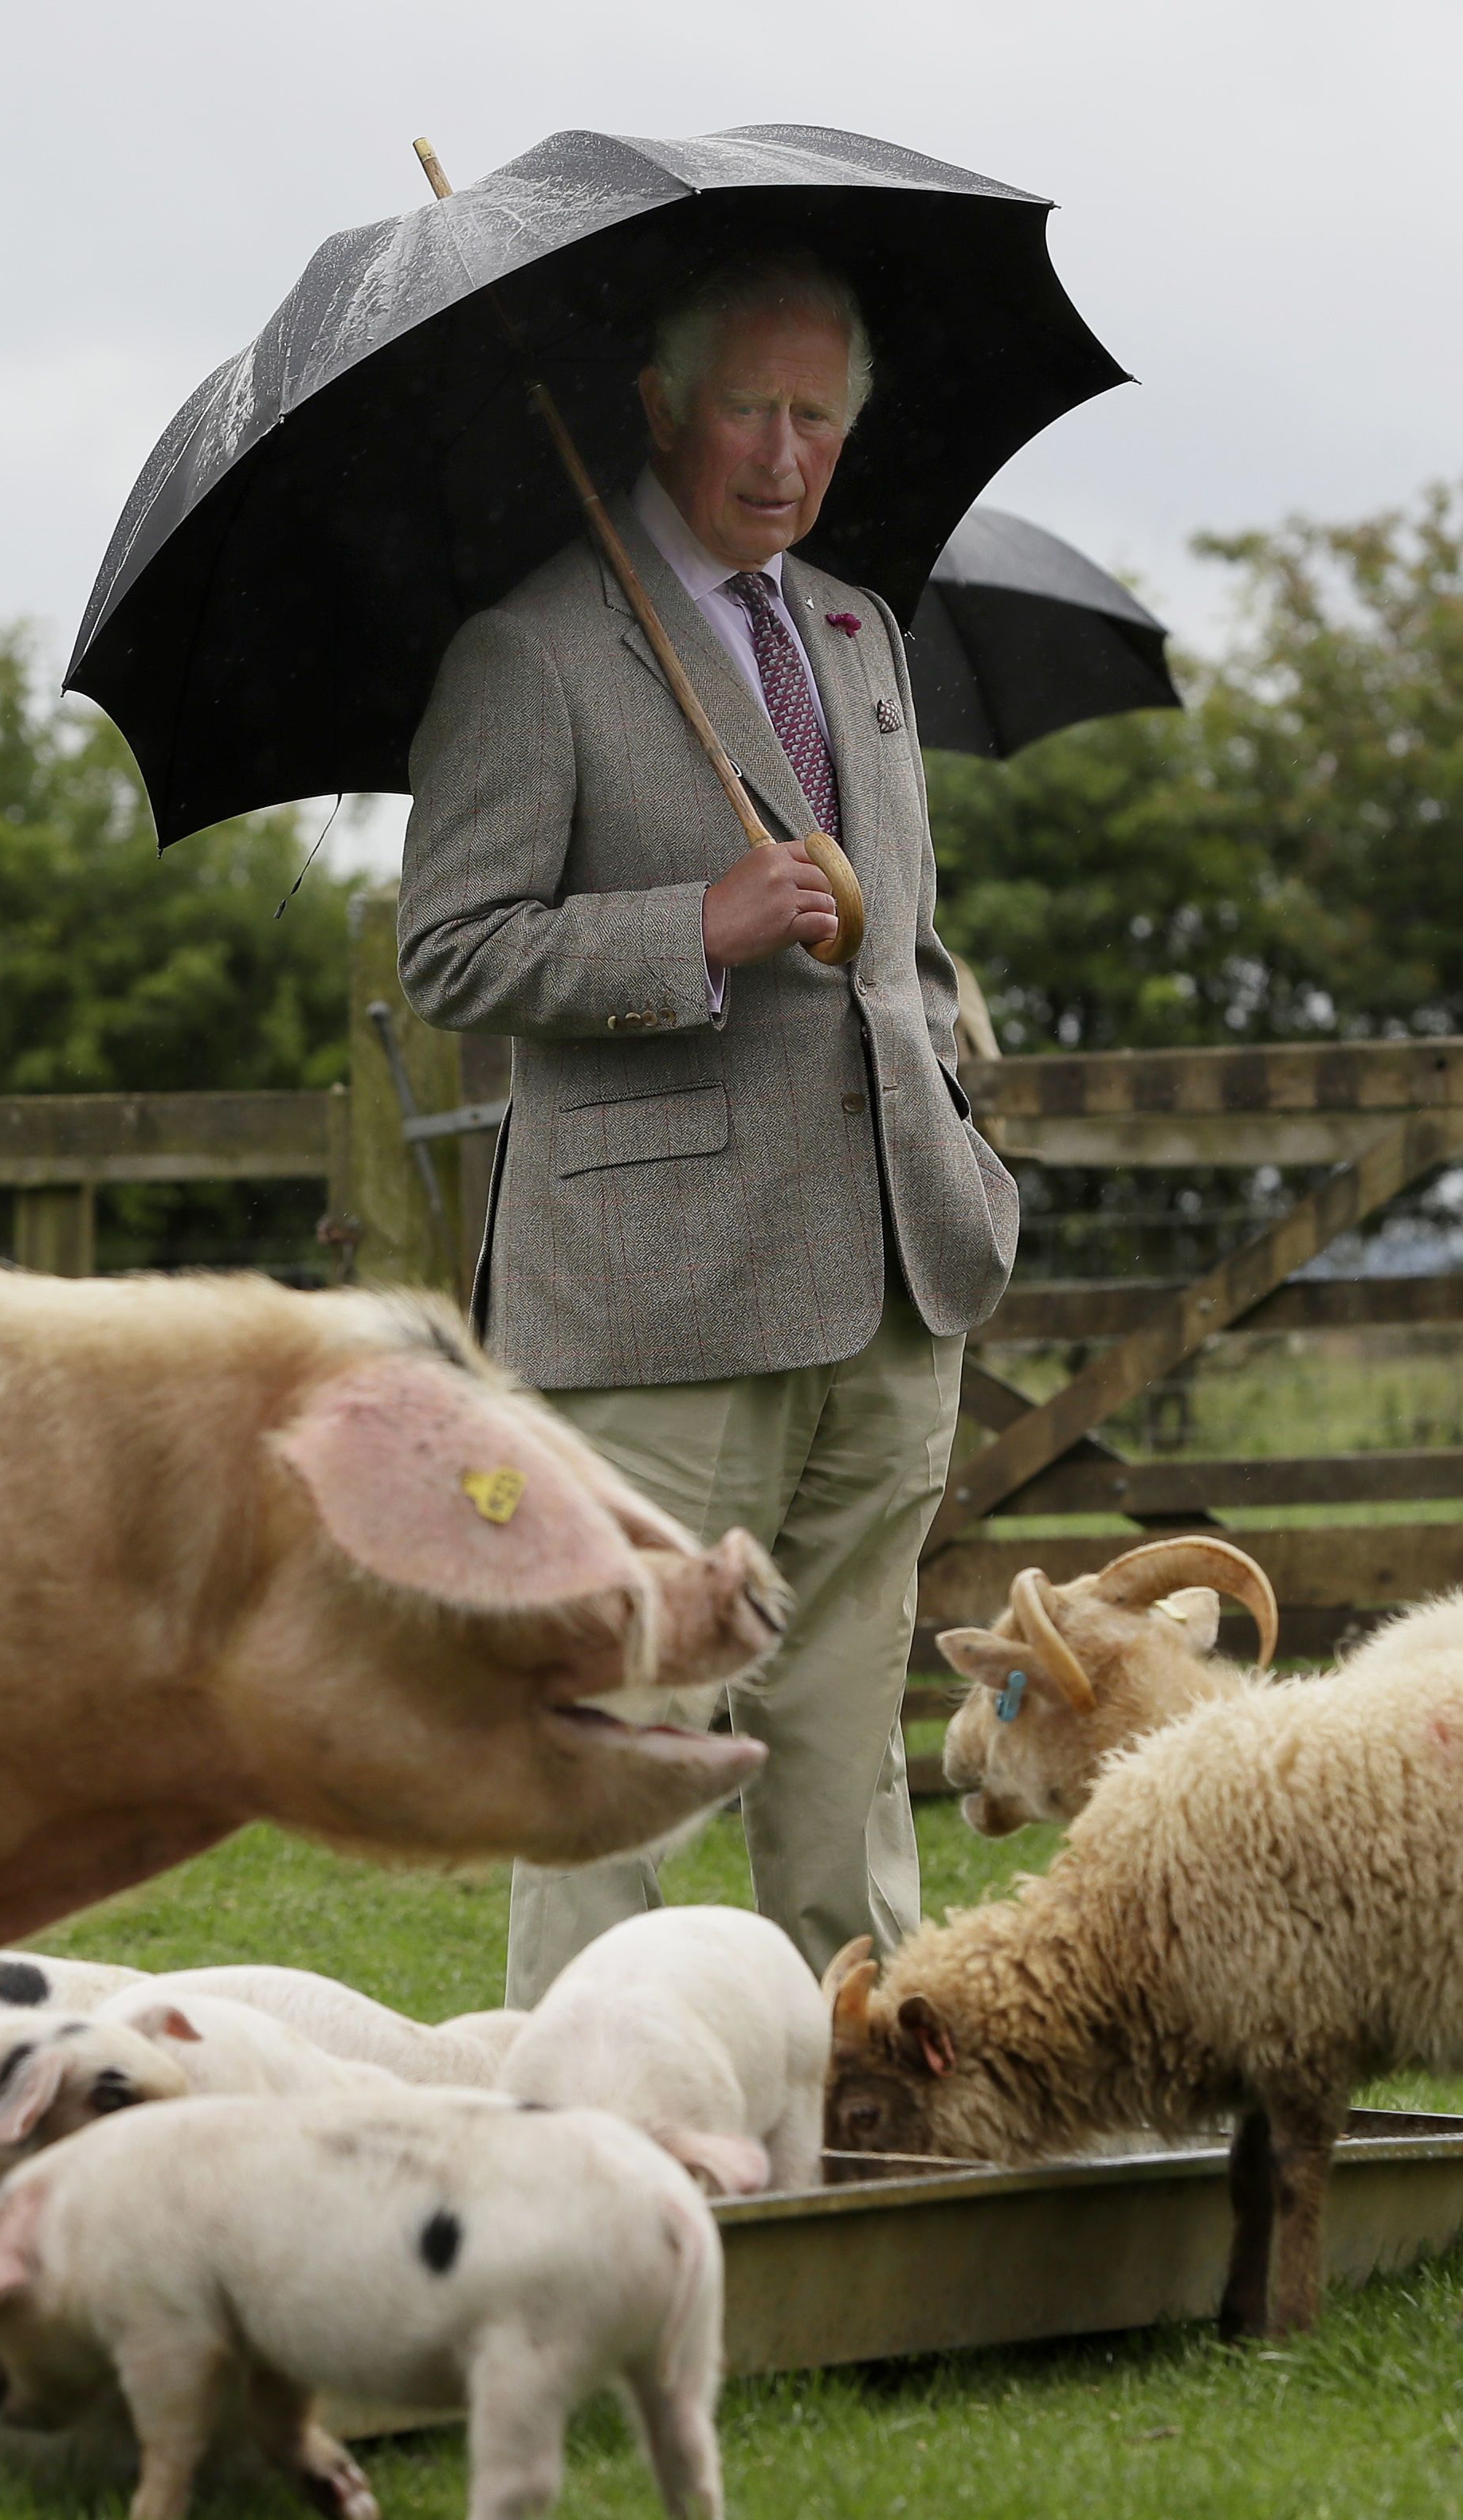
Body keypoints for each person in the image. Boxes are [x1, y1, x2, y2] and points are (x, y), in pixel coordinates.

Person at [394, 250, 1018, 2000]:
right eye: (747, 404)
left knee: (842, 1745)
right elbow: (449, 948)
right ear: (659, 404)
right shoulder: (531, 649)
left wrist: (956, 1128)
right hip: (654, 1303)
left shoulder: (856, 632)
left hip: (900, 1275)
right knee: (623, 1740)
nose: (782, 448)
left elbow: (902, 936)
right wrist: (697, 928)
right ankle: (585, 2159)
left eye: (817, 414)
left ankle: (860, 2141)